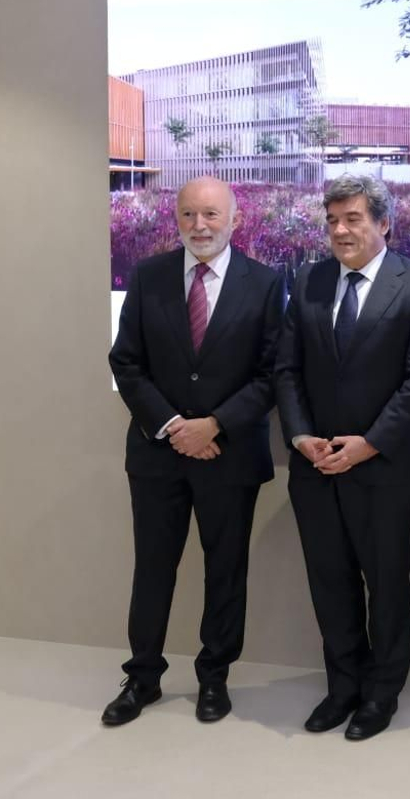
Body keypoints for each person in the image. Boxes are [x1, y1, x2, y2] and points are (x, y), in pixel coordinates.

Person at [104, 176, 285, 726]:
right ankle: (142, 678)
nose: (199, 226)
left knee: (225, 570)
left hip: (230, 456)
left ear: (236, 219)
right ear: (176, 220)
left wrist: (215, 426)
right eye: (188, 215)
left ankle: (214, 679)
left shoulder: (267, 282)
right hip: (158, 455)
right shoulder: (149, 275)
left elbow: (273, 373)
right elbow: (126, 362)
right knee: (153, 569)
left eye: (210, 215)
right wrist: (174, 425)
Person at [274, 174, 410, 741]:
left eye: (353, 219)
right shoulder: (308, 279)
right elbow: (287, 370)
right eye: (333, 220)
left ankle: (381, 693)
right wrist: (300, 437)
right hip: (315, 465)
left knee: (387, 585)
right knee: (331, 582)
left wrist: (367, 444)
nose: (340, 230)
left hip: (384, 467)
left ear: (384, 222)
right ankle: (342, 687)